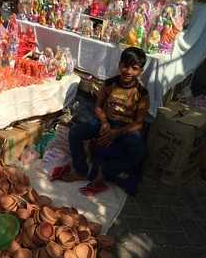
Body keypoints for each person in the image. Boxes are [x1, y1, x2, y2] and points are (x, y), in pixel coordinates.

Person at [64, 47, 149, 196]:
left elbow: (139, 123)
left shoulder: (142, 93)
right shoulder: (110, 84)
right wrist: (104, 122)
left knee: (139, 150)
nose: (128, 71)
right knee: (76, 131)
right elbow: (98, 106)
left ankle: (106, 172)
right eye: (125, 66)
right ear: (119, 64)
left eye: (134, 68)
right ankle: (81, 170)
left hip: (125, 128)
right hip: (106, 123)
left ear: (140, 71)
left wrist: (117, 133)